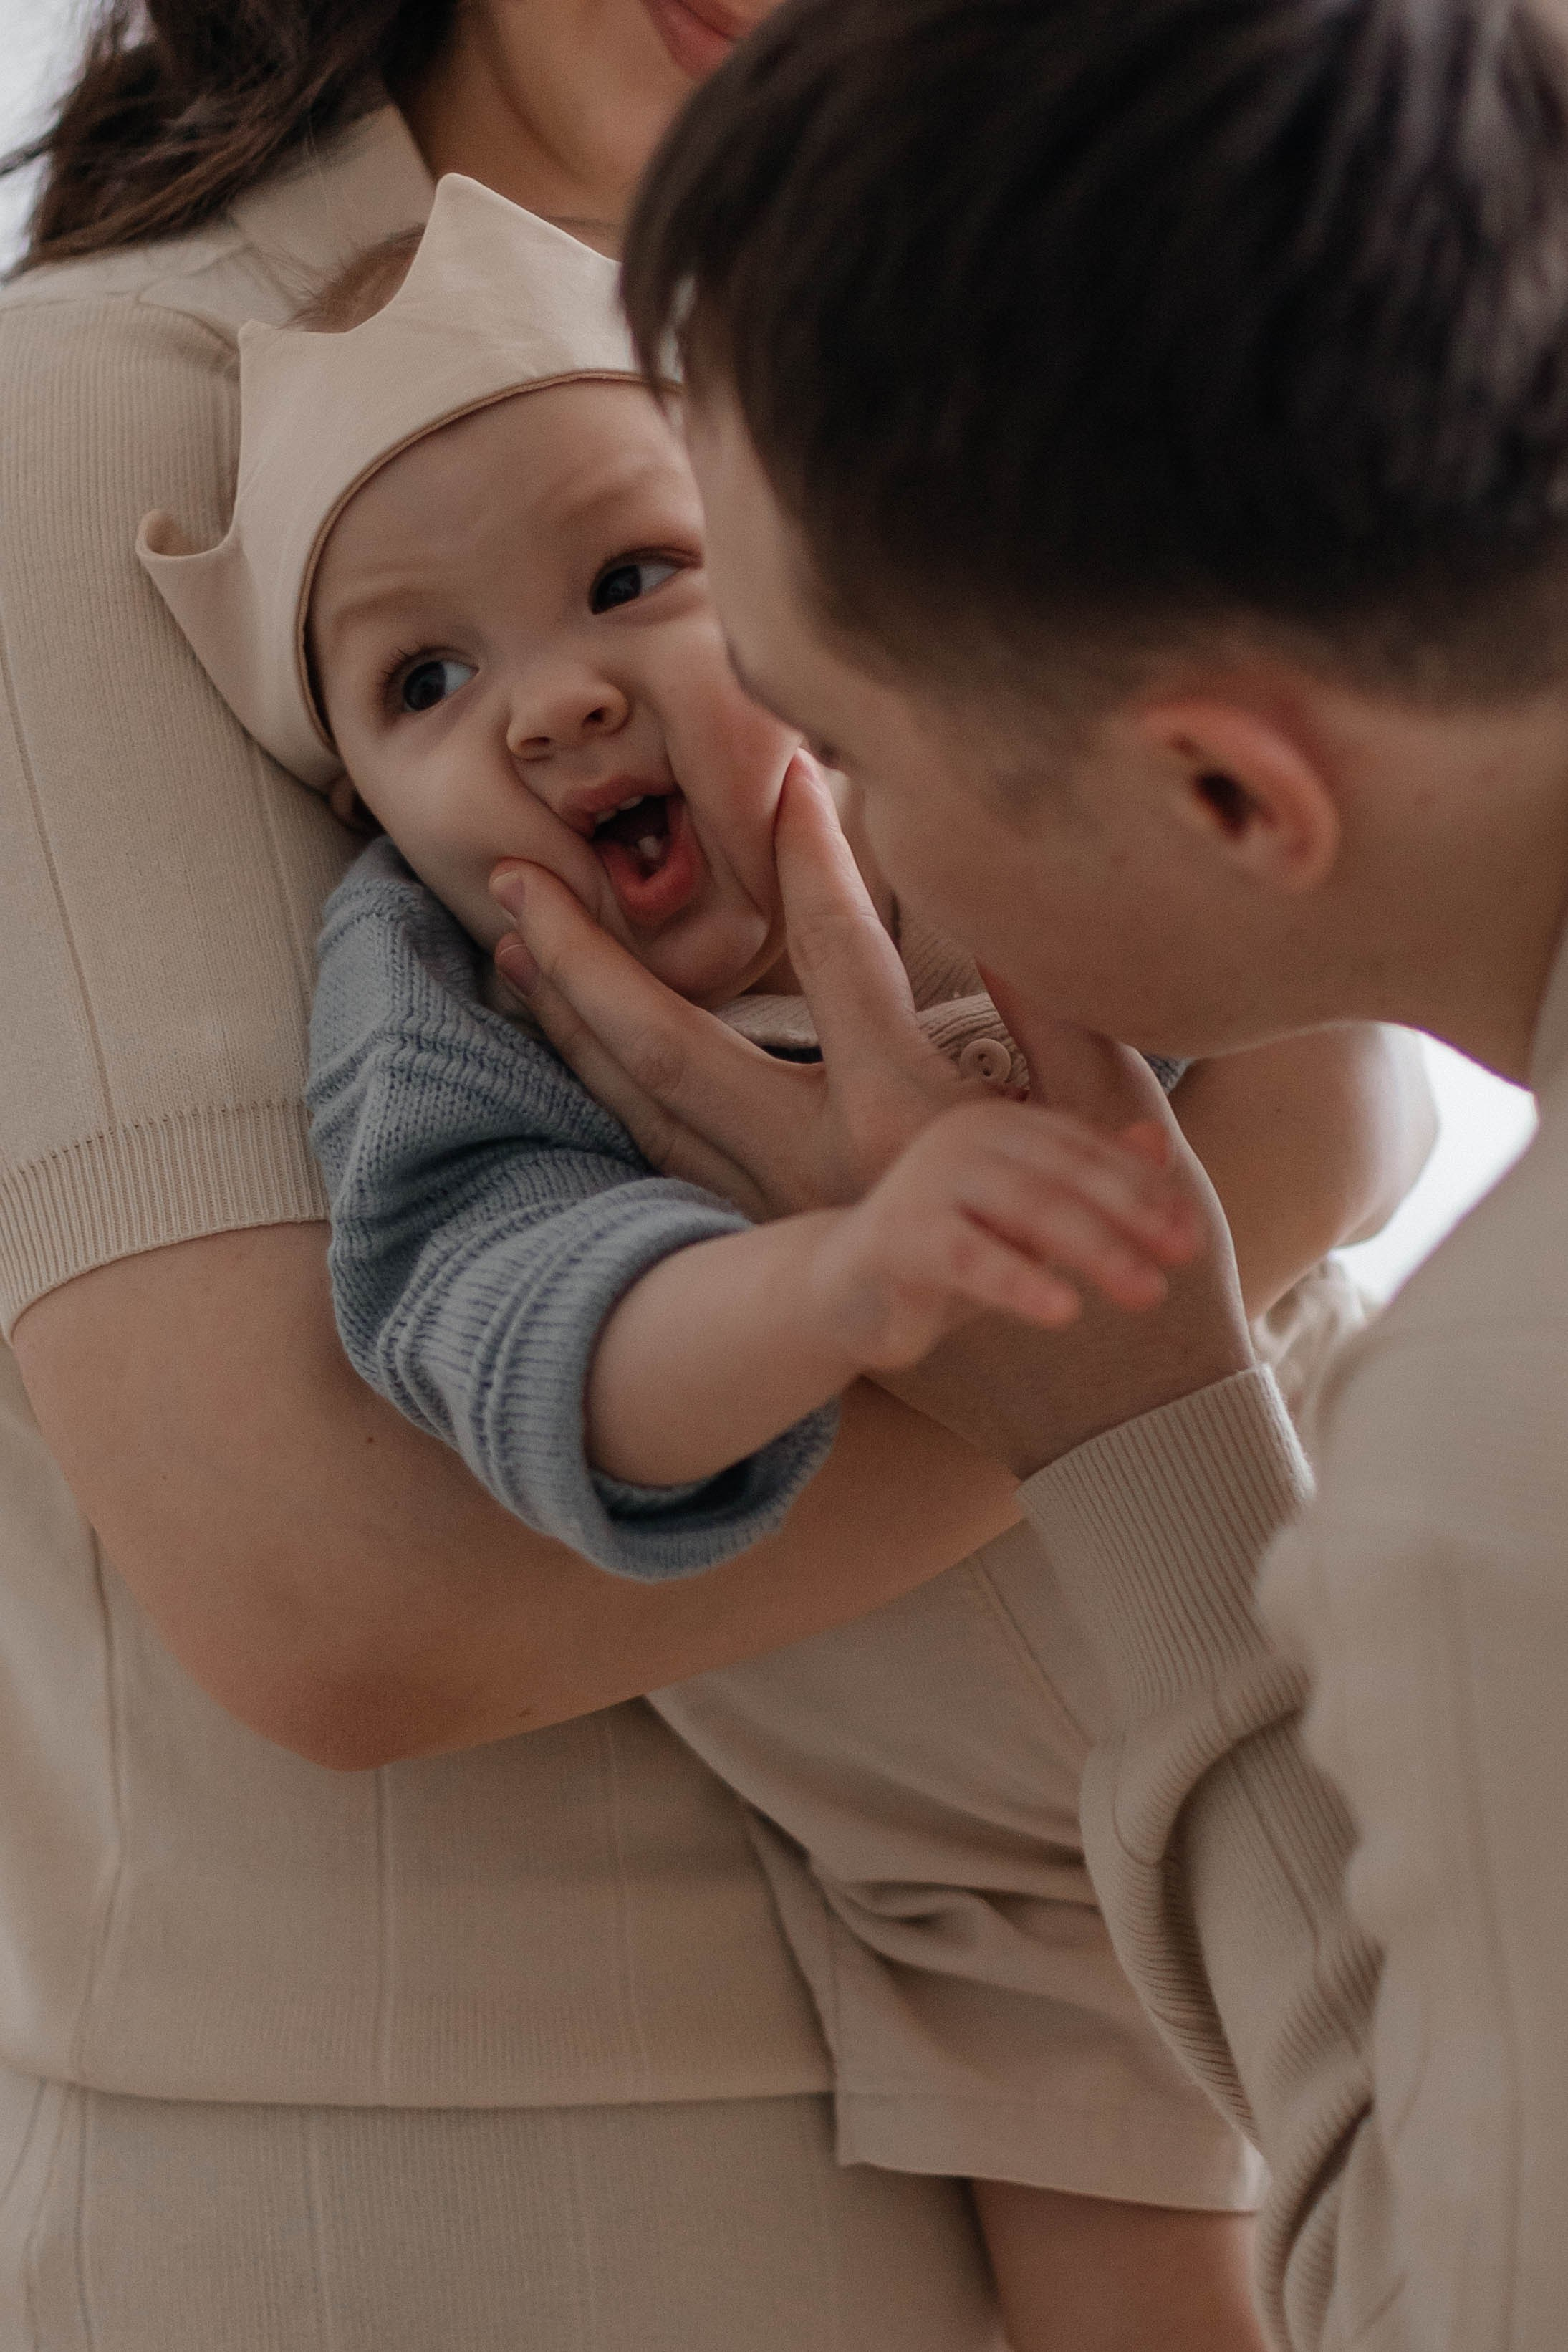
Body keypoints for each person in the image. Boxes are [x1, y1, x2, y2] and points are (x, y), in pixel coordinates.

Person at [0, 2, 1410, 2341]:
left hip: (1265, 1857)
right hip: (537, 2194)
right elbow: (340, 1596)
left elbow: (1338, 1094)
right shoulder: (123, 422)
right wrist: (996, 1326)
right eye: (428, 686)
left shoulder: (986, 303)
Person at [473, 0, 1568, 2342]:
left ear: (1234, 798)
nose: (828, 827)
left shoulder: (1506, 1464)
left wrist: (1139, 1454)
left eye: (845, 734)